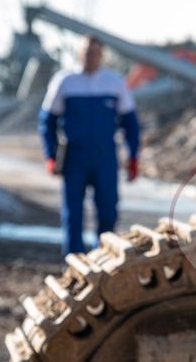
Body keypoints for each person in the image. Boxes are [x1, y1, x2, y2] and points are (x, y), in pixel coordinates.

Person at [38, 35, 140, 256]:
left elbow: (130, 123)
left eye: (95, 52)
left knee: (108, 213)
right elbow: (47, 121)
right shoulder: (65, 82)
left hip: (104, 158)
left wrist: (133, 157)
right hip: (75, 158)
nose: (90, 57)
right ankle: (73, 264)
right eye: (86, 52)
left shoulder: (114, 83)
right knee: (73, 215)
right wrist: (51, 155)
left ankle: (101, 260)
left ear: (101, 55)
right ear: (79, 53)